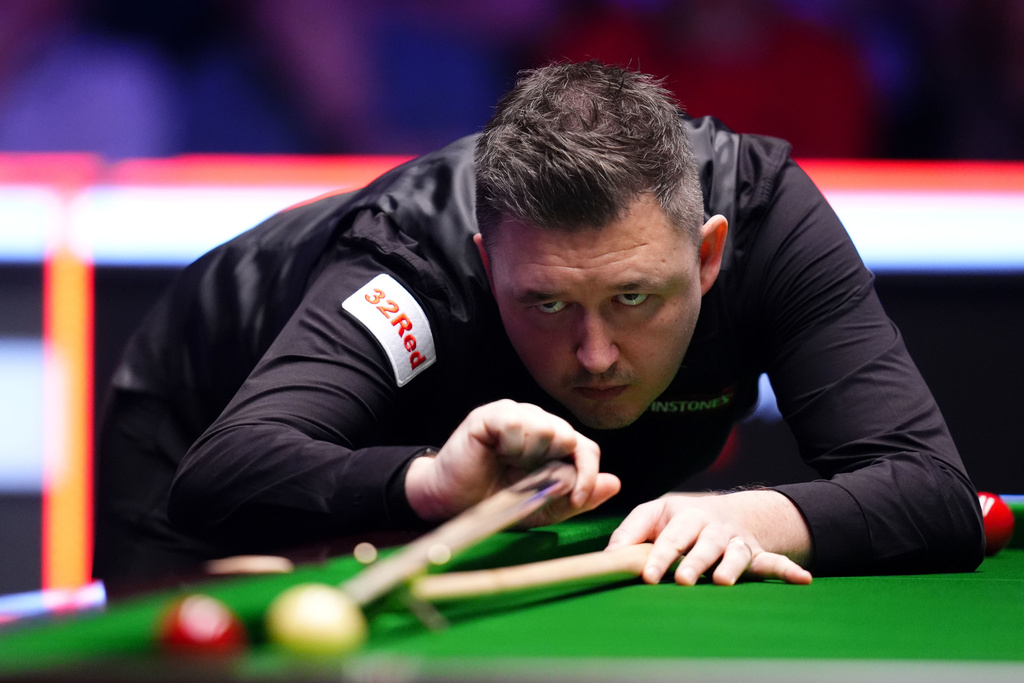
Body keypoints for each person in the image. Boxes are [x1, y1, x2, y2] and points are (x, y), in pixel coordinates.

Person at [93, 61, 984, 587]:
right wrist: (432, 483)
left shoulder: (767, 217)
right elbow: (222, 468)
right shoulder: (413, 257)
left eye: (635, 298)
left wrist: (756, 512)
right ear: (488, 264)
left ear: (707, 257)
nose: (595, 356)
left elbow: (933, 489)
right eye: (548, 303)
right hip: (192, 410)